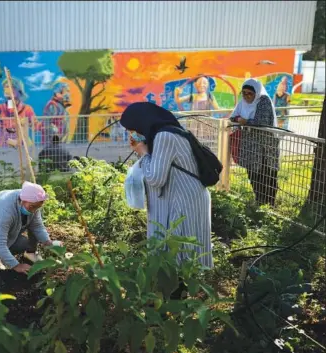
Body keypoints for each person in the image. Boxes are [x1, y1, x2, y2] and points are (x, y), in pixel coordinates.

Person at [119, 102, 213, 271]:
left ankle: (179, 290)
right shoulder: (163, 134)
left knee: (180, 250)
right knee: (178, 249)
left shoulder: (164, 137)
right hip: (181, 196)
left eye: (133, 128)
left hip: (182, 199)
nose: (132, 133)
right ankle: (178, 287)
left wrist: (142, 151)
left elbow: (155, 178)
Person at [0, 181, 63, 274]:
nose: (34, 211)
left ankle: (6, 257)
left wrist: (47, 242)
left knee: (23, 243)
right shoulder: (4, 212)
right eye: (32, 207)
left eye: (37, 208)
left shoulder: (31, 201)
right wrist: (16, 265)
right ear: (23, 201)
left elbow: (37, 226)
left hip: (0, 235)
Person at [229, 78, 279, 206]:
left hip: (265, 145)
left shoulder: (263, 101)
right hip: (250, 145)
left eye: (250, 93)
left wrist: (245, 121)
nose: (246, 96)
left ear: (256, 92)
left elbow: (261, 123)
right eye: (244, 93)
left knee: (267, 173)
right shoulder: (242, 102)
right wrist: (241, 120)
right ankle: (259, 200)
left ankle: (270, 203)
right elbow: (233, 117)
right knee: (253, 172)